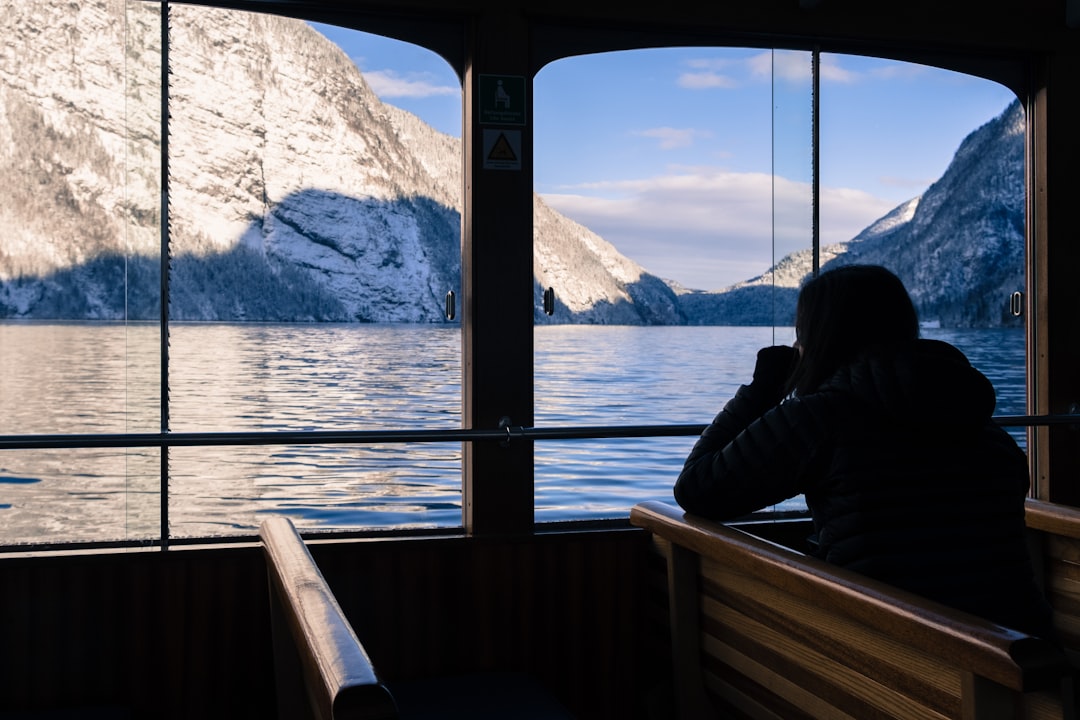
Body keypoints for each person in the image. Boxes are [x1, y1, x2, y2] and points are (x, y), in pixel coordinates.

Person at [674, 264, 1055, 640]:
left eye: (800, 334)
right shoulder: (983, 426)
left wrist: (762, 390)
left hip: (898, 661)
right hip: (1026, 656)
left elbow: (696, 489)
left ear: (818, 339)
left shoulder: (822, 417)